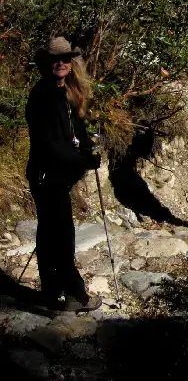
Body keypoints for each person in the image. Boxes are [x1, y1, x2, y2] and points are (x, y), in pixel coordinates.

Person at [26, 37, 102, 312]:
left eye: (66, 59)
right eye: (55, 59)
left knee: (51, 233)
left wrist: (89, 147)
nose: (60, 63)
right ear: (46, 63)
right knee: (60, 235)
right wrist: (84, 160)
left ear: (71, 64)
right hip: (48, 175)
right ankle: (75, 294)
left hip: (54, 175)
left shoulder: (66, 94)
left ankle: (52, 293)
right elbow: (49, 146)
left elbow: (75, 133)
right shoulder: (43, 96)